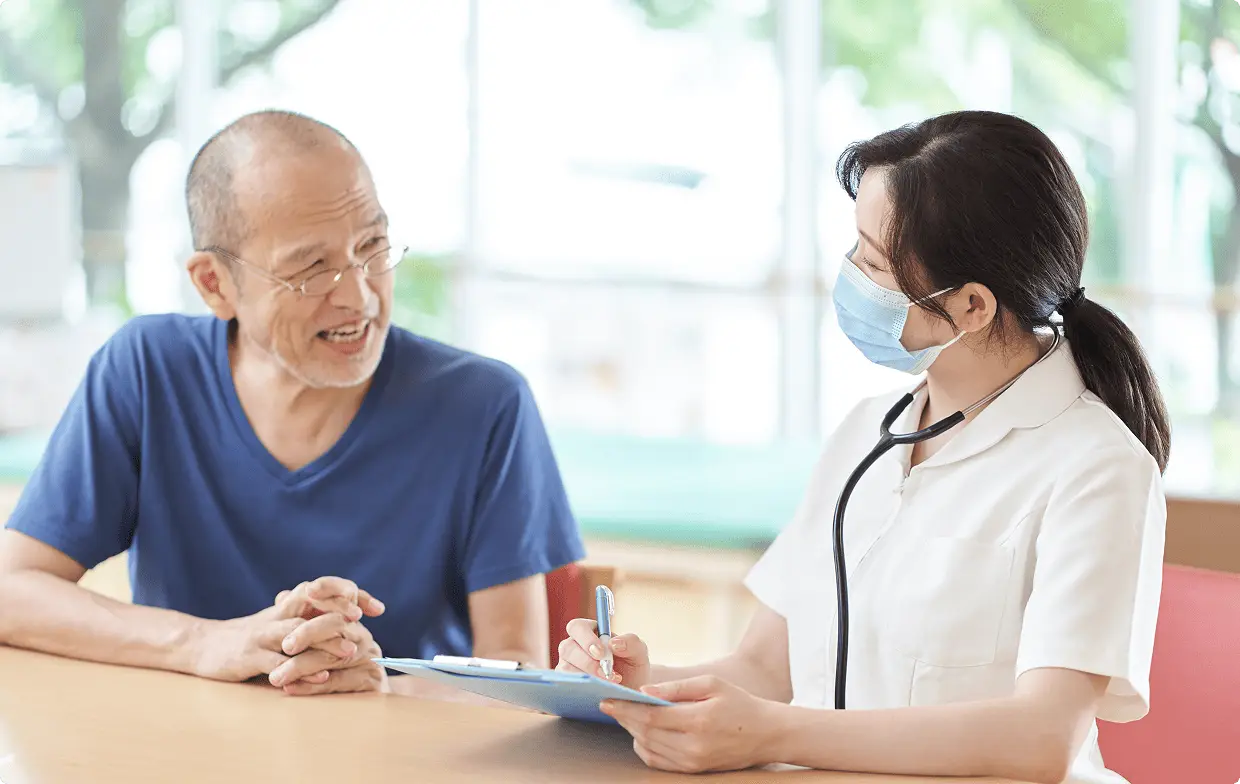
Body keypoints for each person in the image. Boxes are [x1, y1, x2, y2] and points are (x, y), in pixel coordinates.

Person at [556, 111, 1168, 784]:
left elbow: (1040, 737)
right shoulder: (867, 432)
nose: (850, 277)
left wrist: (776, 732)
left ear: (972, 306)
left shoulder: (1098, 470)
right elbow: (765, 668)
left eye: (873, 262)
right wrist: (636, 686)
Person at [0, 110, 585, 696]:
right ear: (215, 284)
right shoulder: (147, 372)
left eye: (372, 247)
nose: (359, 296)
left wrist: (378, 684)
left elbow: (516, 666)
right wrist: (209, 642)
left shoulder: (485, 406)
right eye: (311, 269)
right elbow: (12, 590)